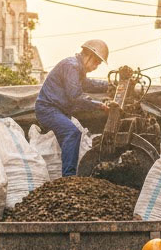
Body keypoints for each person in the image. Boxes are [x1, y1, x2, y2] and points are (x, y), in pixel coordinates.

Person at [34, 39, 112, 177]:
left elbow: (87, 84)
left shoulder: (77, 69)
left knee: (69, 141)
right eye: (96, 62)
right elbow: (75, 96)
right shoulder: (72, 66)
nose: (96, 67)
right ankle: (69, 178)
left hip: (57, 110)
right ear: (88, 55)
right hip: (48, 109)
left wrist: (109, 85)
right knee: (72, 133)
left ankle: (66, 177)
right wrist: (99, 105)